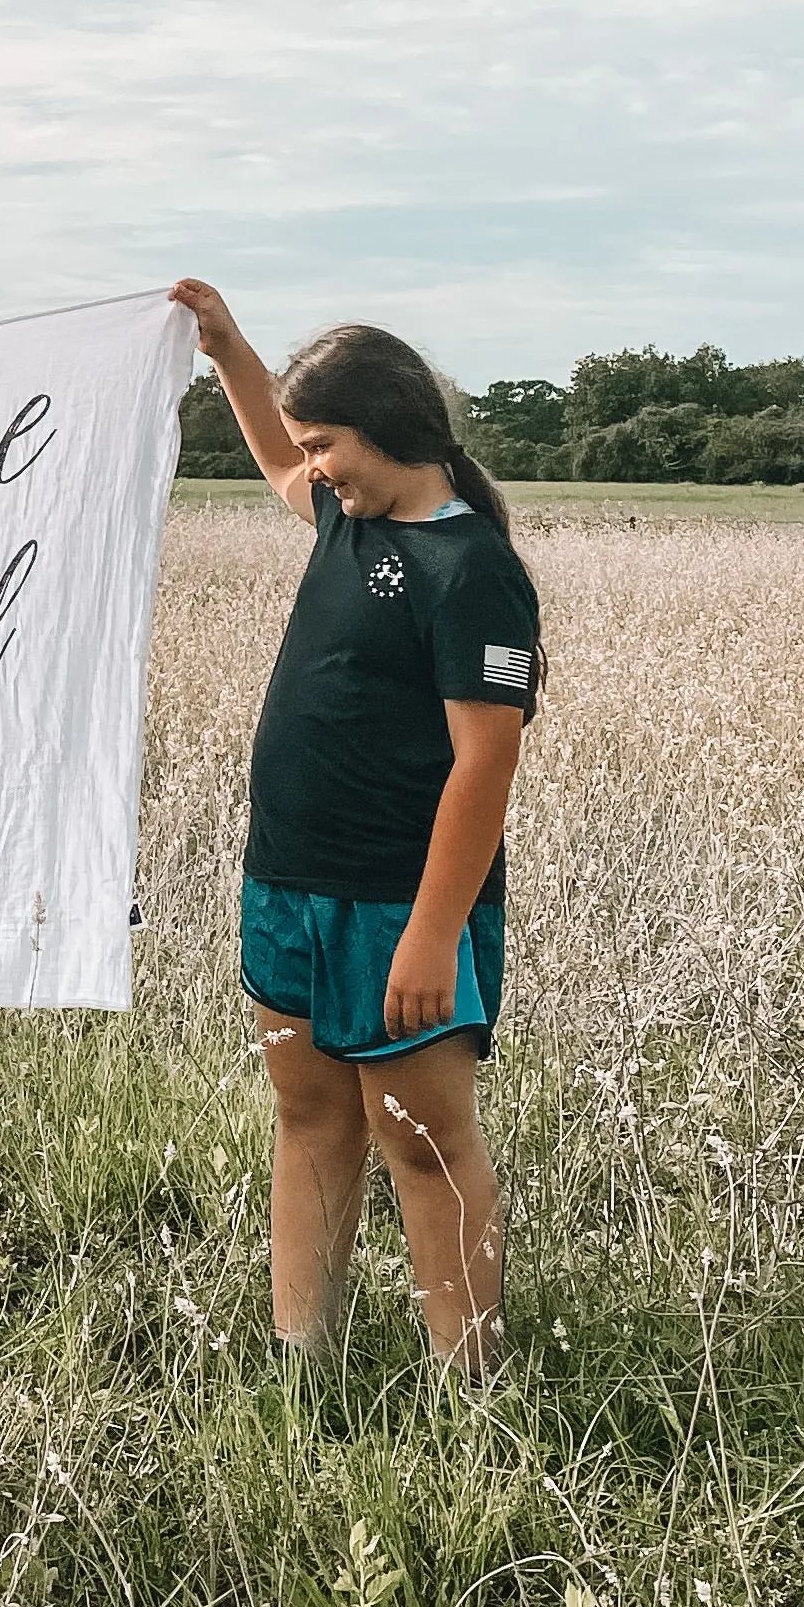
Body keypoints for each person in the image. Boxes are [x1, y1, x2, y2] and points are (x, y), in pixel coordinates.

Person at [169, 289, 540, 1382]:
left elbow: (485, 764)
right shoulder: (347, 518)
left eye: (325, 440)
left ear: (389, 426)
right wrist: (231, 348)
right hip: (287, 884)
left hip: (399, 904)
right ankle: (304, 1363)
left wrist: (433, 937)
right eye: (306, 445)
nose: (311, 464)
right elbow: (276, 450)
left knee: (423, 1147)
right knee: (307, 1116)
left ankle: (469, 1390)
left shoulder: (471, 569)